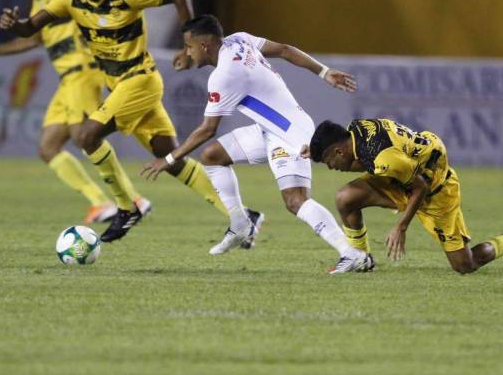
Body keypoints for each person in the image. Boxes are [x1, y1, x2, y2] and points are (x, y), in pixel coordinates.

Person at [0, 0, 239, 242]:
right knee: (170, 158)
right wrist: (16, 24)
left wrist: (187, 45)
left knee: (88, 136)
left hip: (139, 80)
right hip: (119, 84)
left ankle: (127, 207)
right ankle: (241, 216)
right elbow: (31, 28)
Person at [140, 15, 373, 274]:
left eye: (189, 47)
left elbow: (208, 129)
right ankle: (241, 224)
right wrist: (323, 71)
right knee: (213, 156)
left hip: (290, 135)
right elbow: (284, 50)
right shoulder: (240, 39)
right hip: (269, 130)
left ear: (205, 46)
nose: (186, 51)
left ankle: (352, 254)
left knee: (295, 200)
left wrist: (170, 159)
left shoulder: (224, 76)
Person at [0, 0, 148, 223]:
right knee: (48, 147)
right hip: (67, 79)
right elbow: (36, 38)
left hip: (83, 70)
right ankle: (100, 202)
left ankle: (133, 199)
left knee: (84, 136)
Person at [306, 118, 503, 274]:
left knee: (465, 265)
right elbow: (363, 162)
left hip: (434, 190)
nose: (330, 167)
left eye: (329, 162)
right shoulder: (356, 131)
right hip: (403, 177)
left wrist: (401, 226)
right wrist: (315, 152)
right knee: (345, 197)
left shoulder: (385, 158)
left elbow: (421, 187)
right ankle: (360, 258)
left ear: (339, 150)